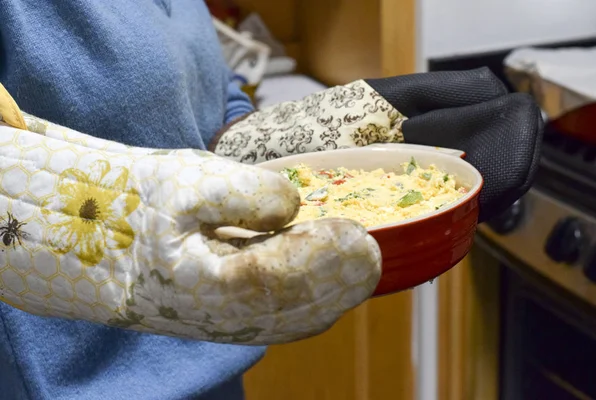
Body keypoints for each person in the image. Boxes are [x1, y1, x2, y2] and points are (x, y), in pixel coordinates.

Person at [0, 1, 543, 399]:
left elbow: (208, 93)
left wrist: (293, 140)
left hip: (214, 365)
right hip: (75, 384)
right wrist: (107, 229)